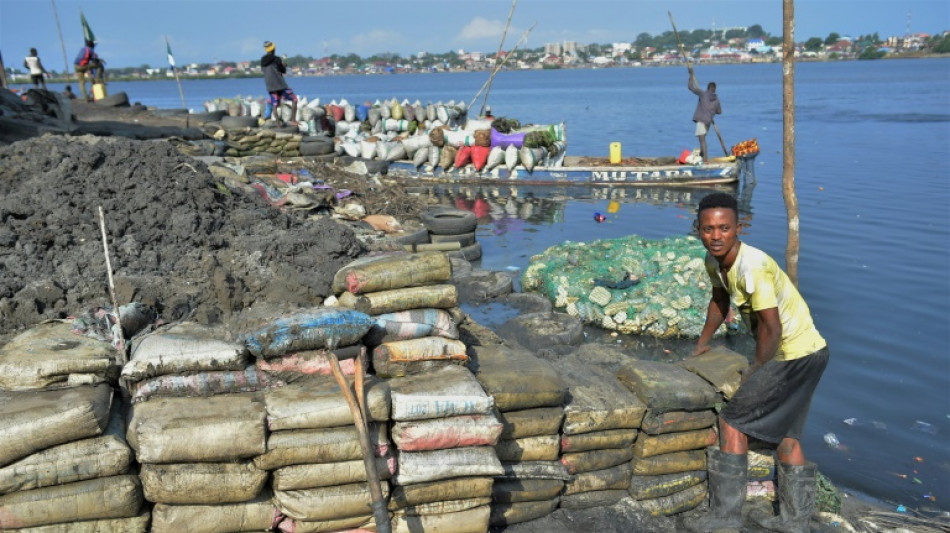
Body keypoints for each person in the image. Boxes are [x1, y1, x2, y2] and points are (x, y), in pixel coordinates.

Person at [683, 192, 829, 533]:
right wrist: (702, 344)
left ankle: (725, 519)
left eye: (724, 228)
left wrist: (756, 370)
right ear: (698, 230)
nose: (716, 236)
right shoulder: (714, 261)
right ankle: (795, 523)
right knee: (787, 437)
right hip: (813, 353)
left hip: (791, 355)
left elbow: (771, 326)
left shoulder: (754, 265)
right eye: (708, 229)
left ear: (738, 228)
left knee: (733, 422)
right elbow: (720, 301)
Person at [687, 66, 721, 164]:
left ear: (708, 88)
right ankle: (703, 157)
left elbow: (690, 87)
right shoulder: (717, 99)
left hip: (701, 120)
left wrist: (691, 75)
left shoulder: (703, 93)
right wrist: (712, 110)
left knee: (702, 140)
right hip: (708, 121)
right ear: (714, 89)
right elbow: (719, 112)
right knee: (703, 139)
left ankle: (705, 160)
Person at [261, 41, 297, 127]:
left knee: (274, 105)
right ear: (273, 49)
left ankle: (277, 124)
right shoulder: (277, 59)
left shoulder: (262, 60)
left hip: (270, 86)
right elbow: (283, 70)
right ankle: (293, 120)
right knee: (294, 100)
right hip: (280, 85)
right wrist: (284, 65)